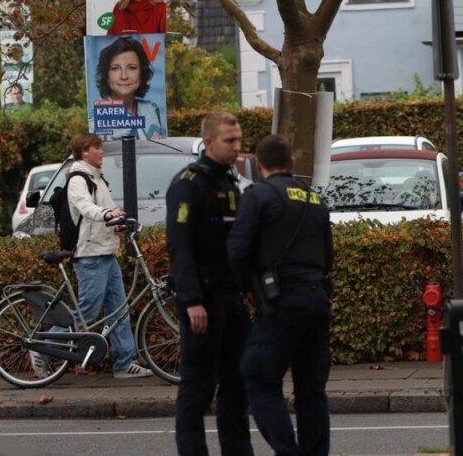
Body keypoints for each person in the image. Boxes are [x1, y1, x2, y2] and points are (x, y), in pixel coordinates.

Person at [228, 134, 334, 456]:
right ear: (292, 164)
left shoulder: (258, 197)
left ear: (259, 166)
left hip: (282, 300)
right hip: (318, 299)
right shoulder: (315, 200)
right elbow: (328, 257)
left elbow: (237, 250)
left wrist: (247, 288)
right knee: (311, 389)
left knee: (258, 376)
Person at [30, 133, 155, 380]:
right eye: (98, 148)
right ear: (84, 151)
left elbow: (101, 217)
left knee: (119, 309)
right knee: (87, 312)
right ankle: (43, 349)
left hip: (106, 252)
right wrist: (108, 214)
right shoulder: (78, 180)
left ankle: (124, 362)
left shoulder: (97, 180)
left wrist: (116, 223)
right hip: (90, 256)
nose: (102, 152)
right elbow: (86, 208)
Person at [166, 112, 253, 456]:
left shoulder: (229, 182)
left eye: (239, 140)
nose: (237, 147)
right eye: (230, 141)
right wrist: (191, 300)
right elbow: (180, 244)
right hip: (202, 298)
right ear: (209, 142)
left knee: (237, 383)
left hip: (231, 297)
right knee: (198, 385)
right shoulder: (189, 183)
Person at [93, 37, 164, 140]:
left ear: (141, 73)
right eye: (115, 68)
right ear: (106, 75)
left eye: (132, 68)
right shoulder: (99, 115)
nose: (124, 76)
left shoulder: (152, 108)